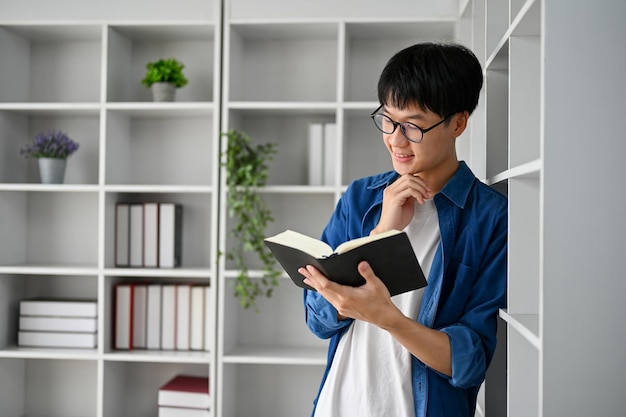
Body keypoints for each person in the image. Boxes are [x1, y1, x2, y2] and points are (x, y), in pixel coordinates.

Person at [298, 42, 507, 417]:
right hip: (338, 405)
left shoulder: (490, 218)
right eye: (389, 120)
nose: (395, 139)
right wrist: (382, 232)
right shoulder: (362, 198)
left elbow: (469, 361)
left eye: (412, 125)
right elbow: (317, 319)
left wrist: (388, 318)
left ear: (457, 123)